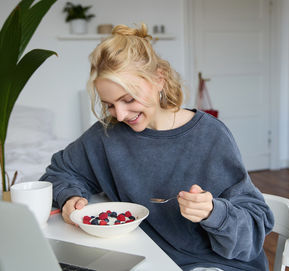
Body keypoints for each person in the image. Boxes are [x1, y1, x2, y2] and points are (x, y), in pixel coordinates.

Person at [39, 24, 274, 271]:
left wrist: (213, 212)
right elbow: (59, 173)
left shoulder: (210, 136)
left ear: (159, 79)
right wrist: (72, 196)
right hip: (143, 257)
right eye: (109, 105)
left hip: (213, 263)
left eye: (128, 99)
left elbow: (254, 228)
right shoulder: (106, 135)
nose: (119, 115)